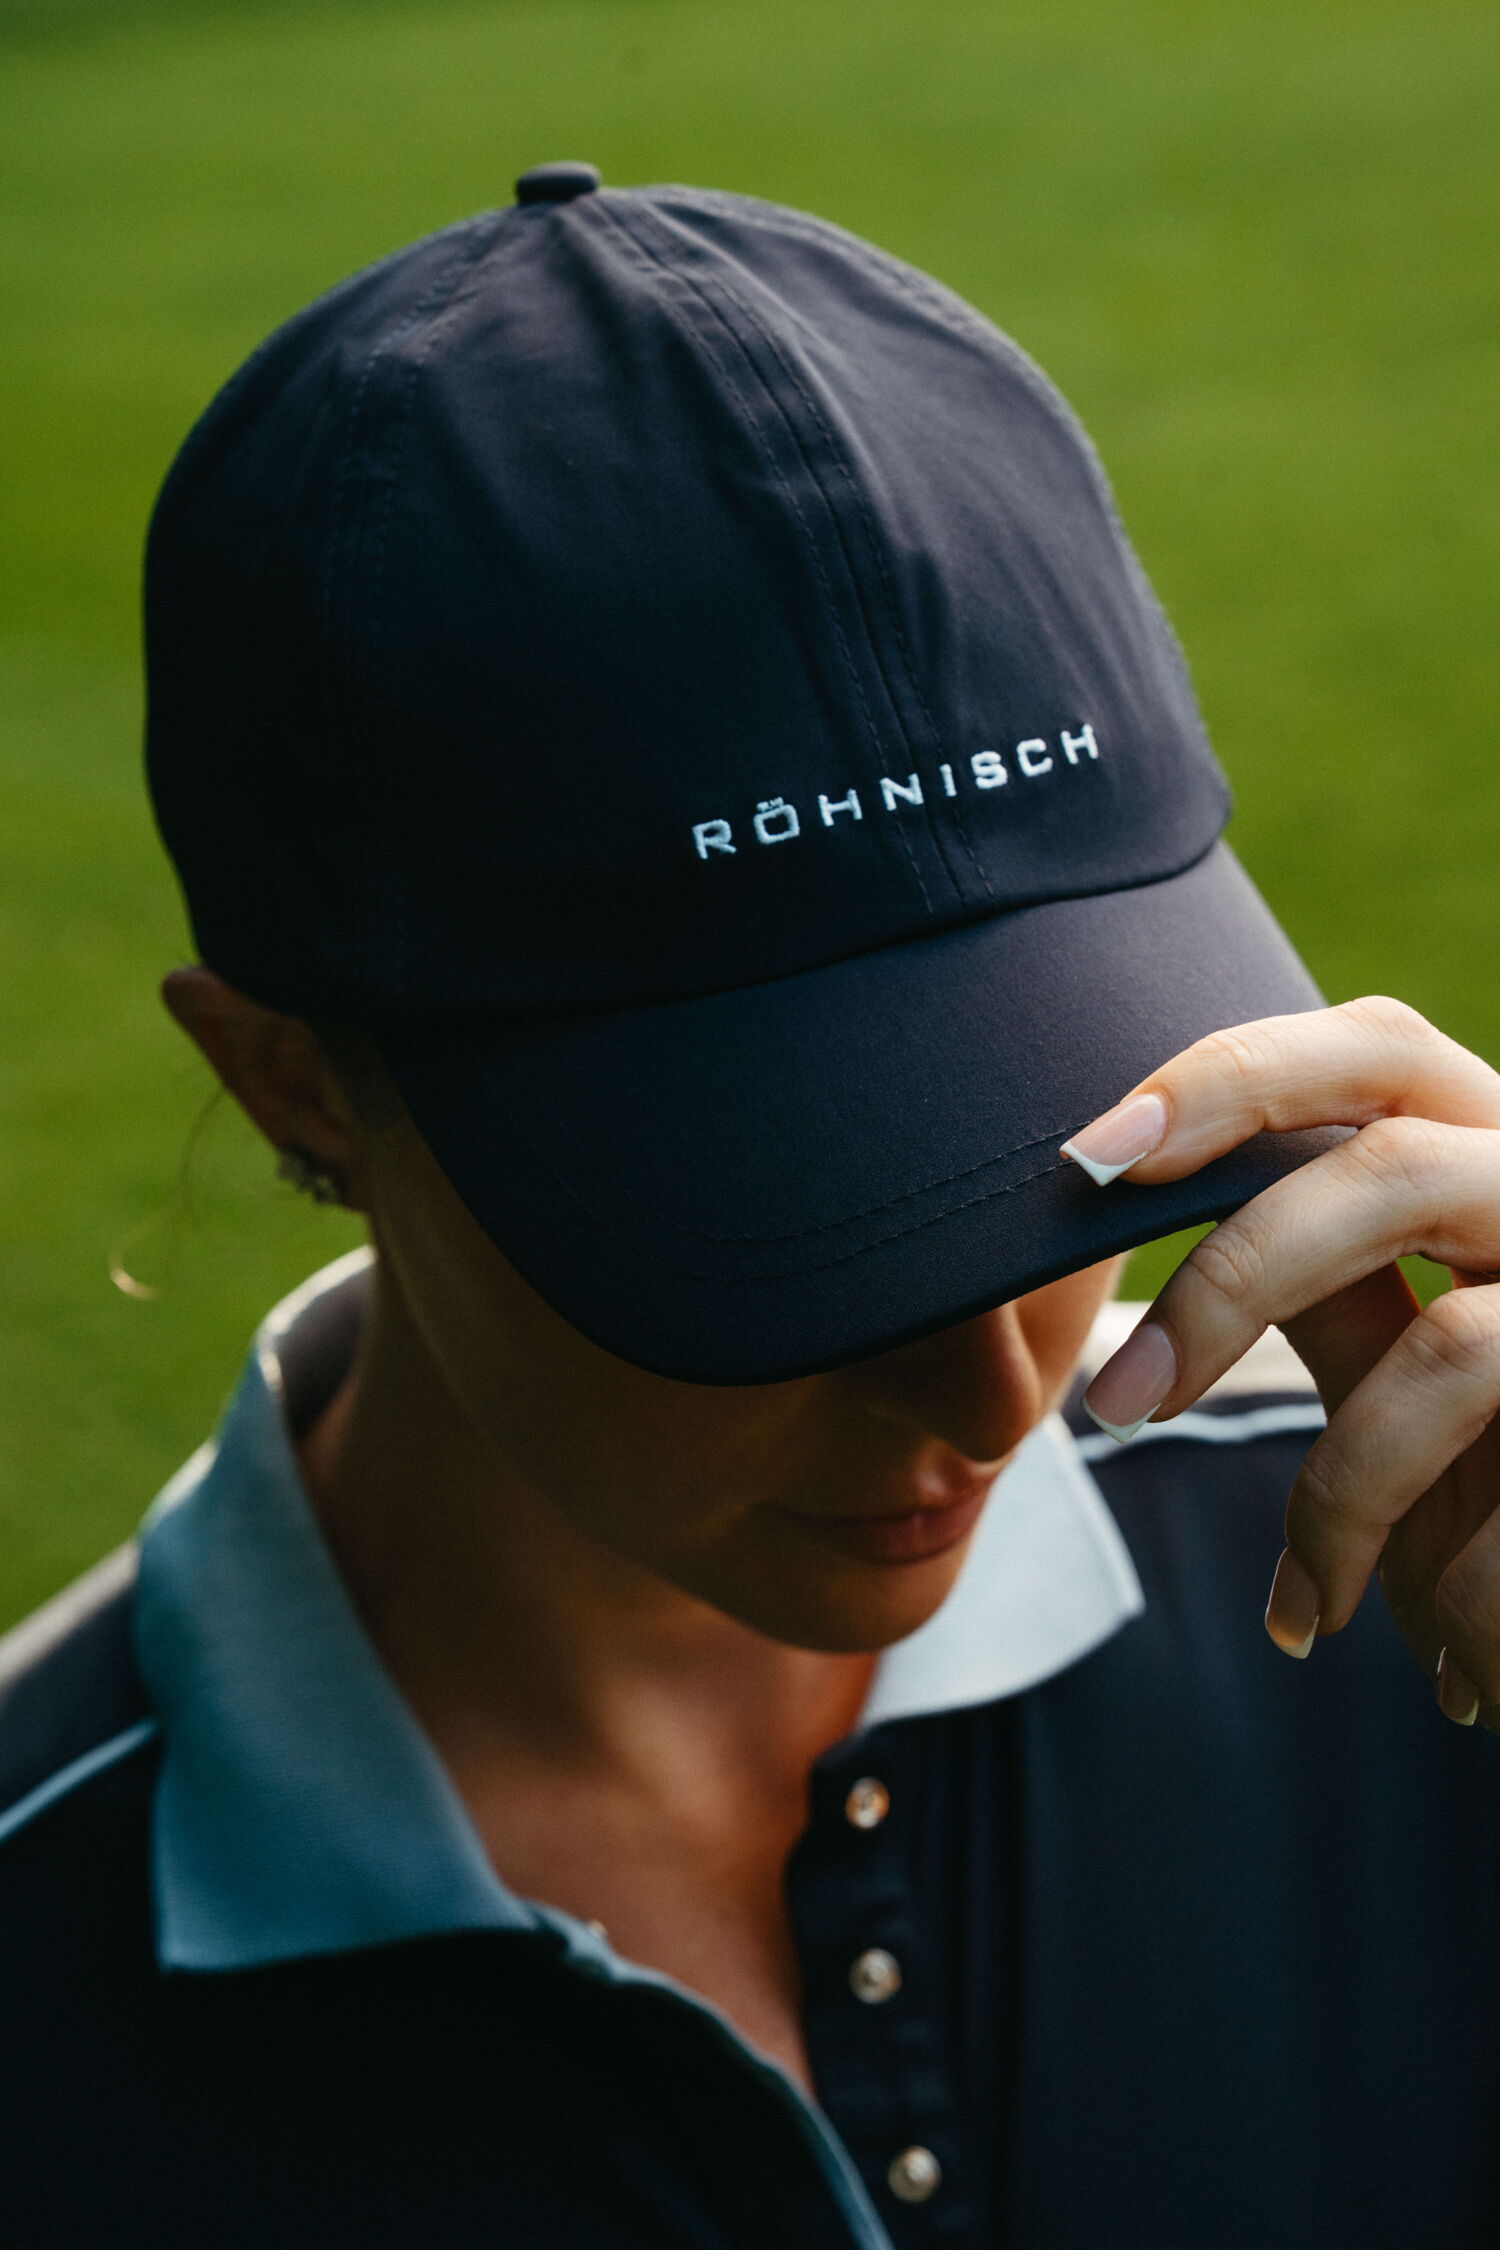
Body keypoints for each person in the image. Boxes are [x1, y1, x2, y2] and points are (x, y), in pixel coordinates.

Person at [1, 165, 1497, 2249]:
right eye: (793, 1238)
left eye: (1065, 1160)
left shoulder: (1429, 1559)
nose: (990, 1399)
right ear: (294, 1081)